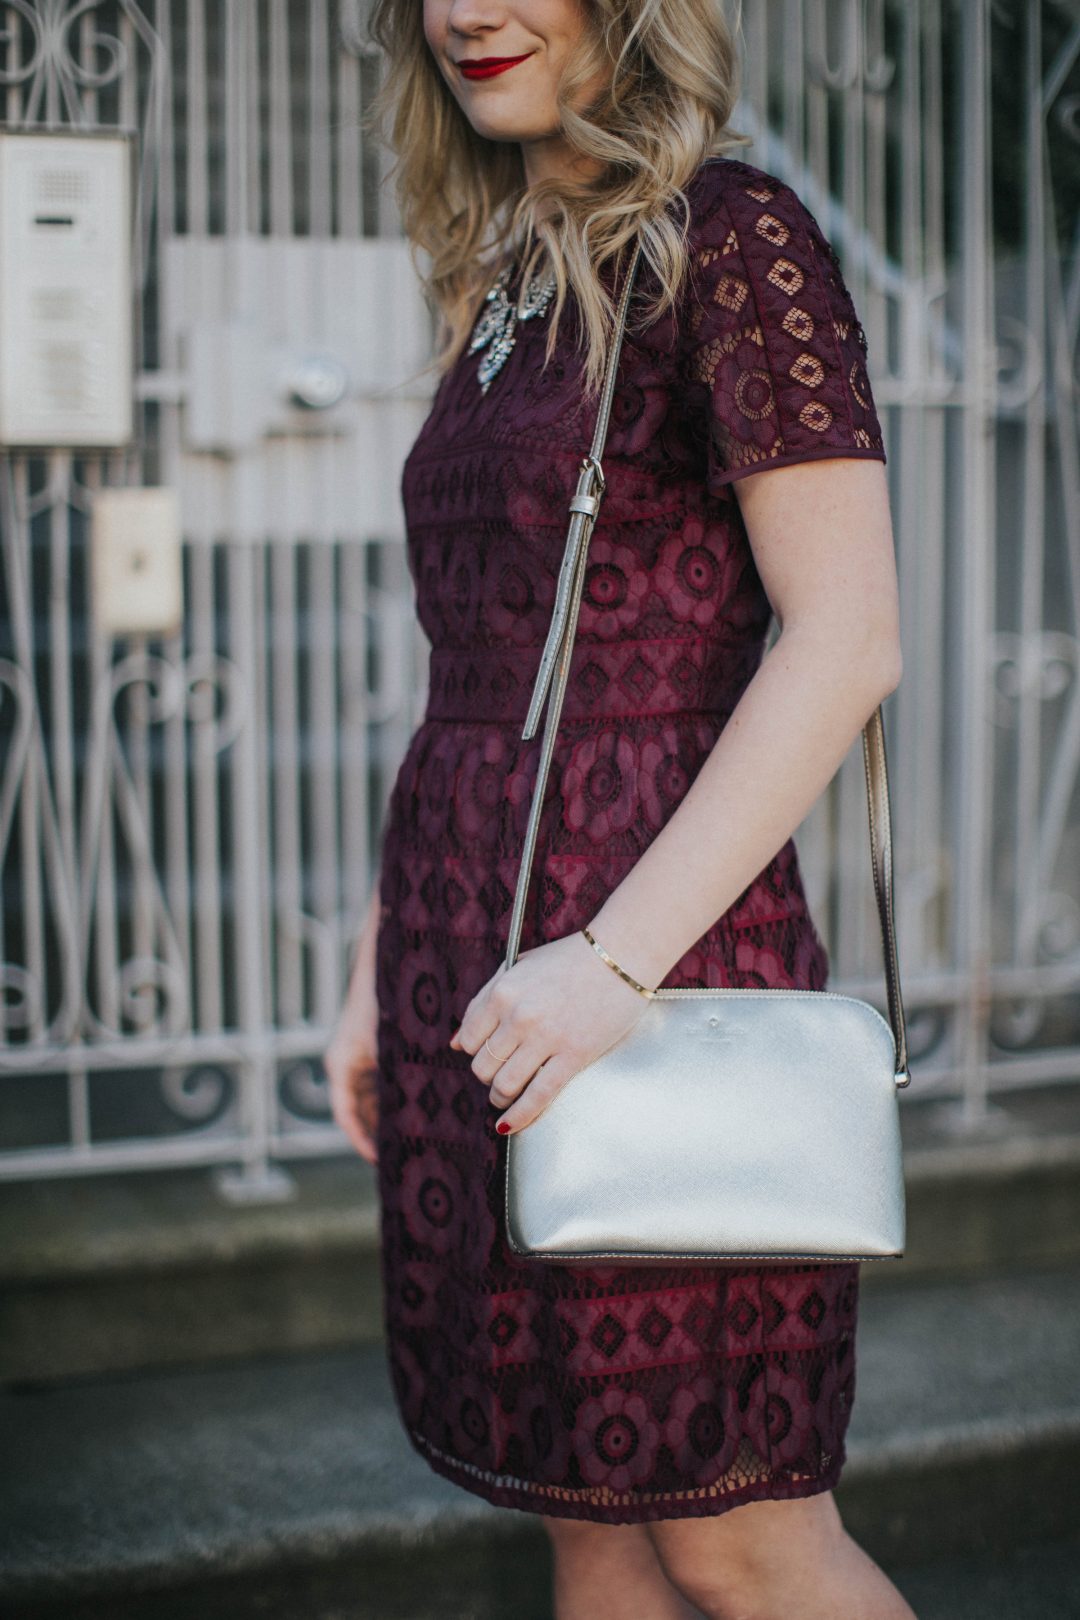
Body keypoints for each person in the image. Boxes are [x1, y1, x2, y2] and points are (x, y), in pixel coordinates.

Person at [324, 2, 918, 1616]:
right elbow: (480, 673)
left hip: (652, 968)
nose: (462, 11)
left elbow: (850, 634)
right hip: (479, 972)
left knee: (738, 1530)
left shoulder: (730, 236)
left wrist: (612, 963)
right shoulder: (514, 262)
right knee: (582, 1513)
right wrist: (379, 968)